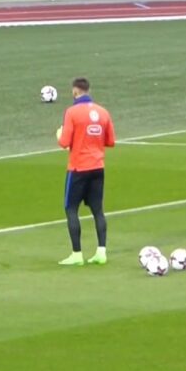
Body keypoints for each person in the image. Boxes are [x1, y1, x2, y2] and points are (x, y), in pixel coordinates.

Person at [56, 78, 115, 266]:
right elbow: (110, 141)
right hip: (98, 167)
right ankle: (101, 252)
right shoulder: (103, 112)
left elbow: (64, 142)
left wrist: (60, 135)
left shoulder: (72, 112)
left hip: (78, 167)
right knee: (98, 210)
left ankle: (76, 254)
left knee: (71, 208)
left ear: (75, 91)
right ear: (89, 90)